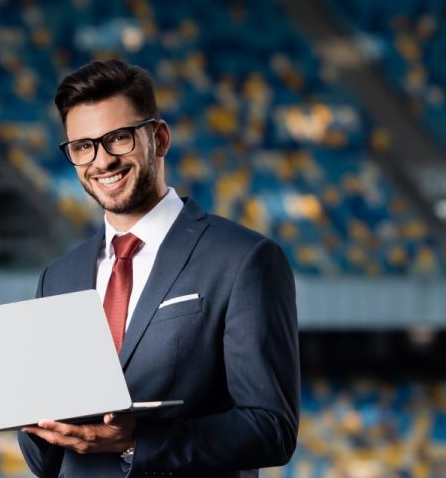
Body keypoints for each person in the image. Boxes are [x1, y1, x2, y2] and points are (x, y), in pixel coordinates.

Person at [17, 59, 300, 477]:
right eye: (83, 146)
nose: (102, 161)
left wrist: (137, 442)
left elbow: (272, 428)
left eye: (118, 138)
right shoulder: (57, 276)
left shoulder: (243, 259)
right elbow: (46, 462)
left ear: (159, 137)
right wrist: (32, 416)